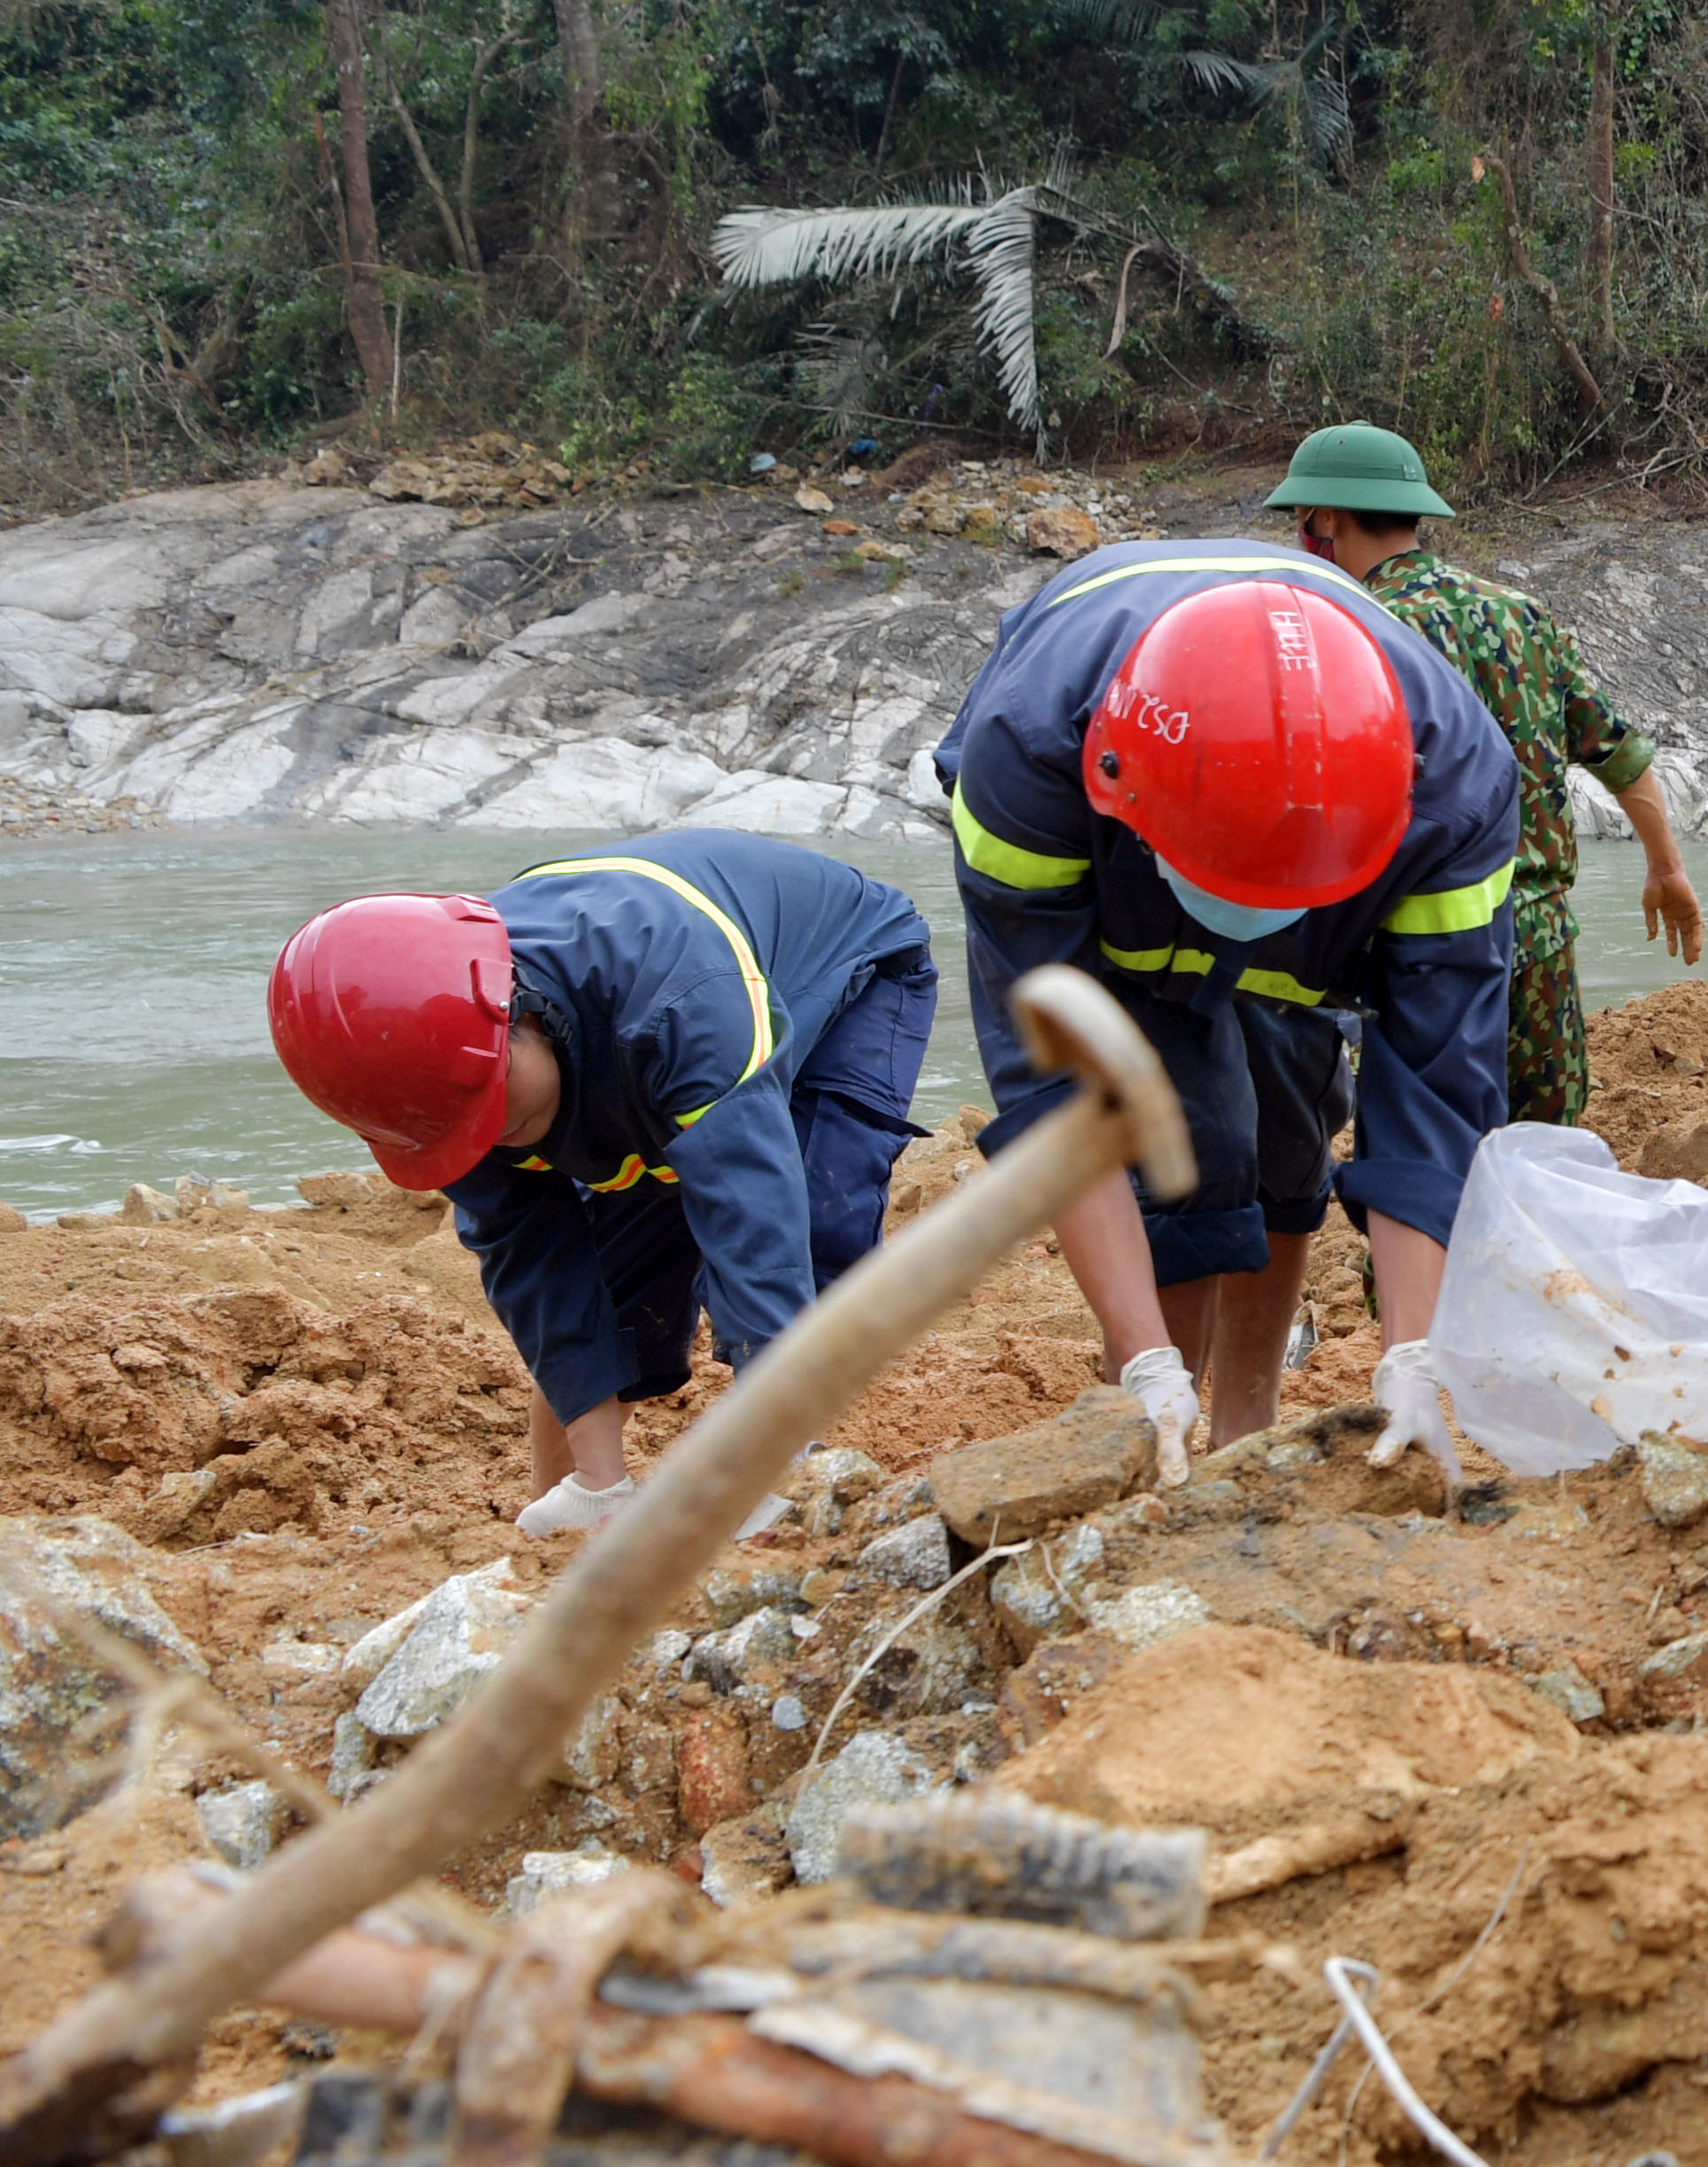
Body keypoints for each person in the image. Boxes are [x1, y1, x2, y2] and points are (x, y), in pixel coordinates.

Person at [934, 540, 1520, 1484]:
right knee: (1186, 1128)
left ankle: (1247, 1419)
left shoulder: (1455, 794)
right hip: (1119, 847)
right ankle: (1162, 1398)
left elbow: (1436, 1089)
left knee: (1292, 1107)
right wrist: (1142, 1362)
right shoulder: (1029, 758)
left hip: (1334, 876)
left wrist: (1417, 1356)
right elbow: (1062, 1097)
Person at [267, 832, 937, 1537]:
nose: (491, 1130)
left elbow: (754, 1221)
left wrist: (765, 1470)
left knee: (810, 1219)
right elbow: (538, 1270)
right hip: (625, 1036)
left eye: (494, 1103)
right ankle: (580, 1487)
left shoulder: (679, 1004)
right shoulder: (432, 1080)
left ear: (521, 1014)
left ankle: (789, 1457)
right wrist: (599, 1489)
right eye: (468, 1126)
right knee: (618, 1291)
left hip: (843, 970)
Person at [1262, 421, 1699, 1130]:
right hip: (1543, 948)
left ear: (1328, 518)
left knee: (1425, 1172)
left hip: (1426, 951)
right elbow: (1620, 753)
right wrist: (1668, 868)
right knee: (1542, 1168)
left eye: (1300, 520)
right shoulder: (1521, 614)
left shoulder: (1348, 632)